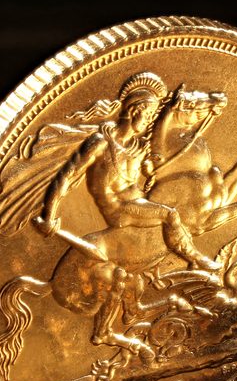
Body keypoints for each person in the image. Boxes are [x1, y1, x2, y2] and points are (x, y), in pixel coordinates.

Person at [33, 71, 220, 271]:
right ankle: (194, 258)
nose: (149, 120)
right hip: (119, 210)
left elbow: (165, 126)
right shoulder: (101, 143)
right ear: (133, 111)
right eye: (147, 114)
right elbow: (67, 176)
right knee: (170, 214)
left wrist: (205, 108)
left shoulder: (137, 147)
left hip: (139, 202)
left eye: (151, 116)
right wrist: (48, 215)